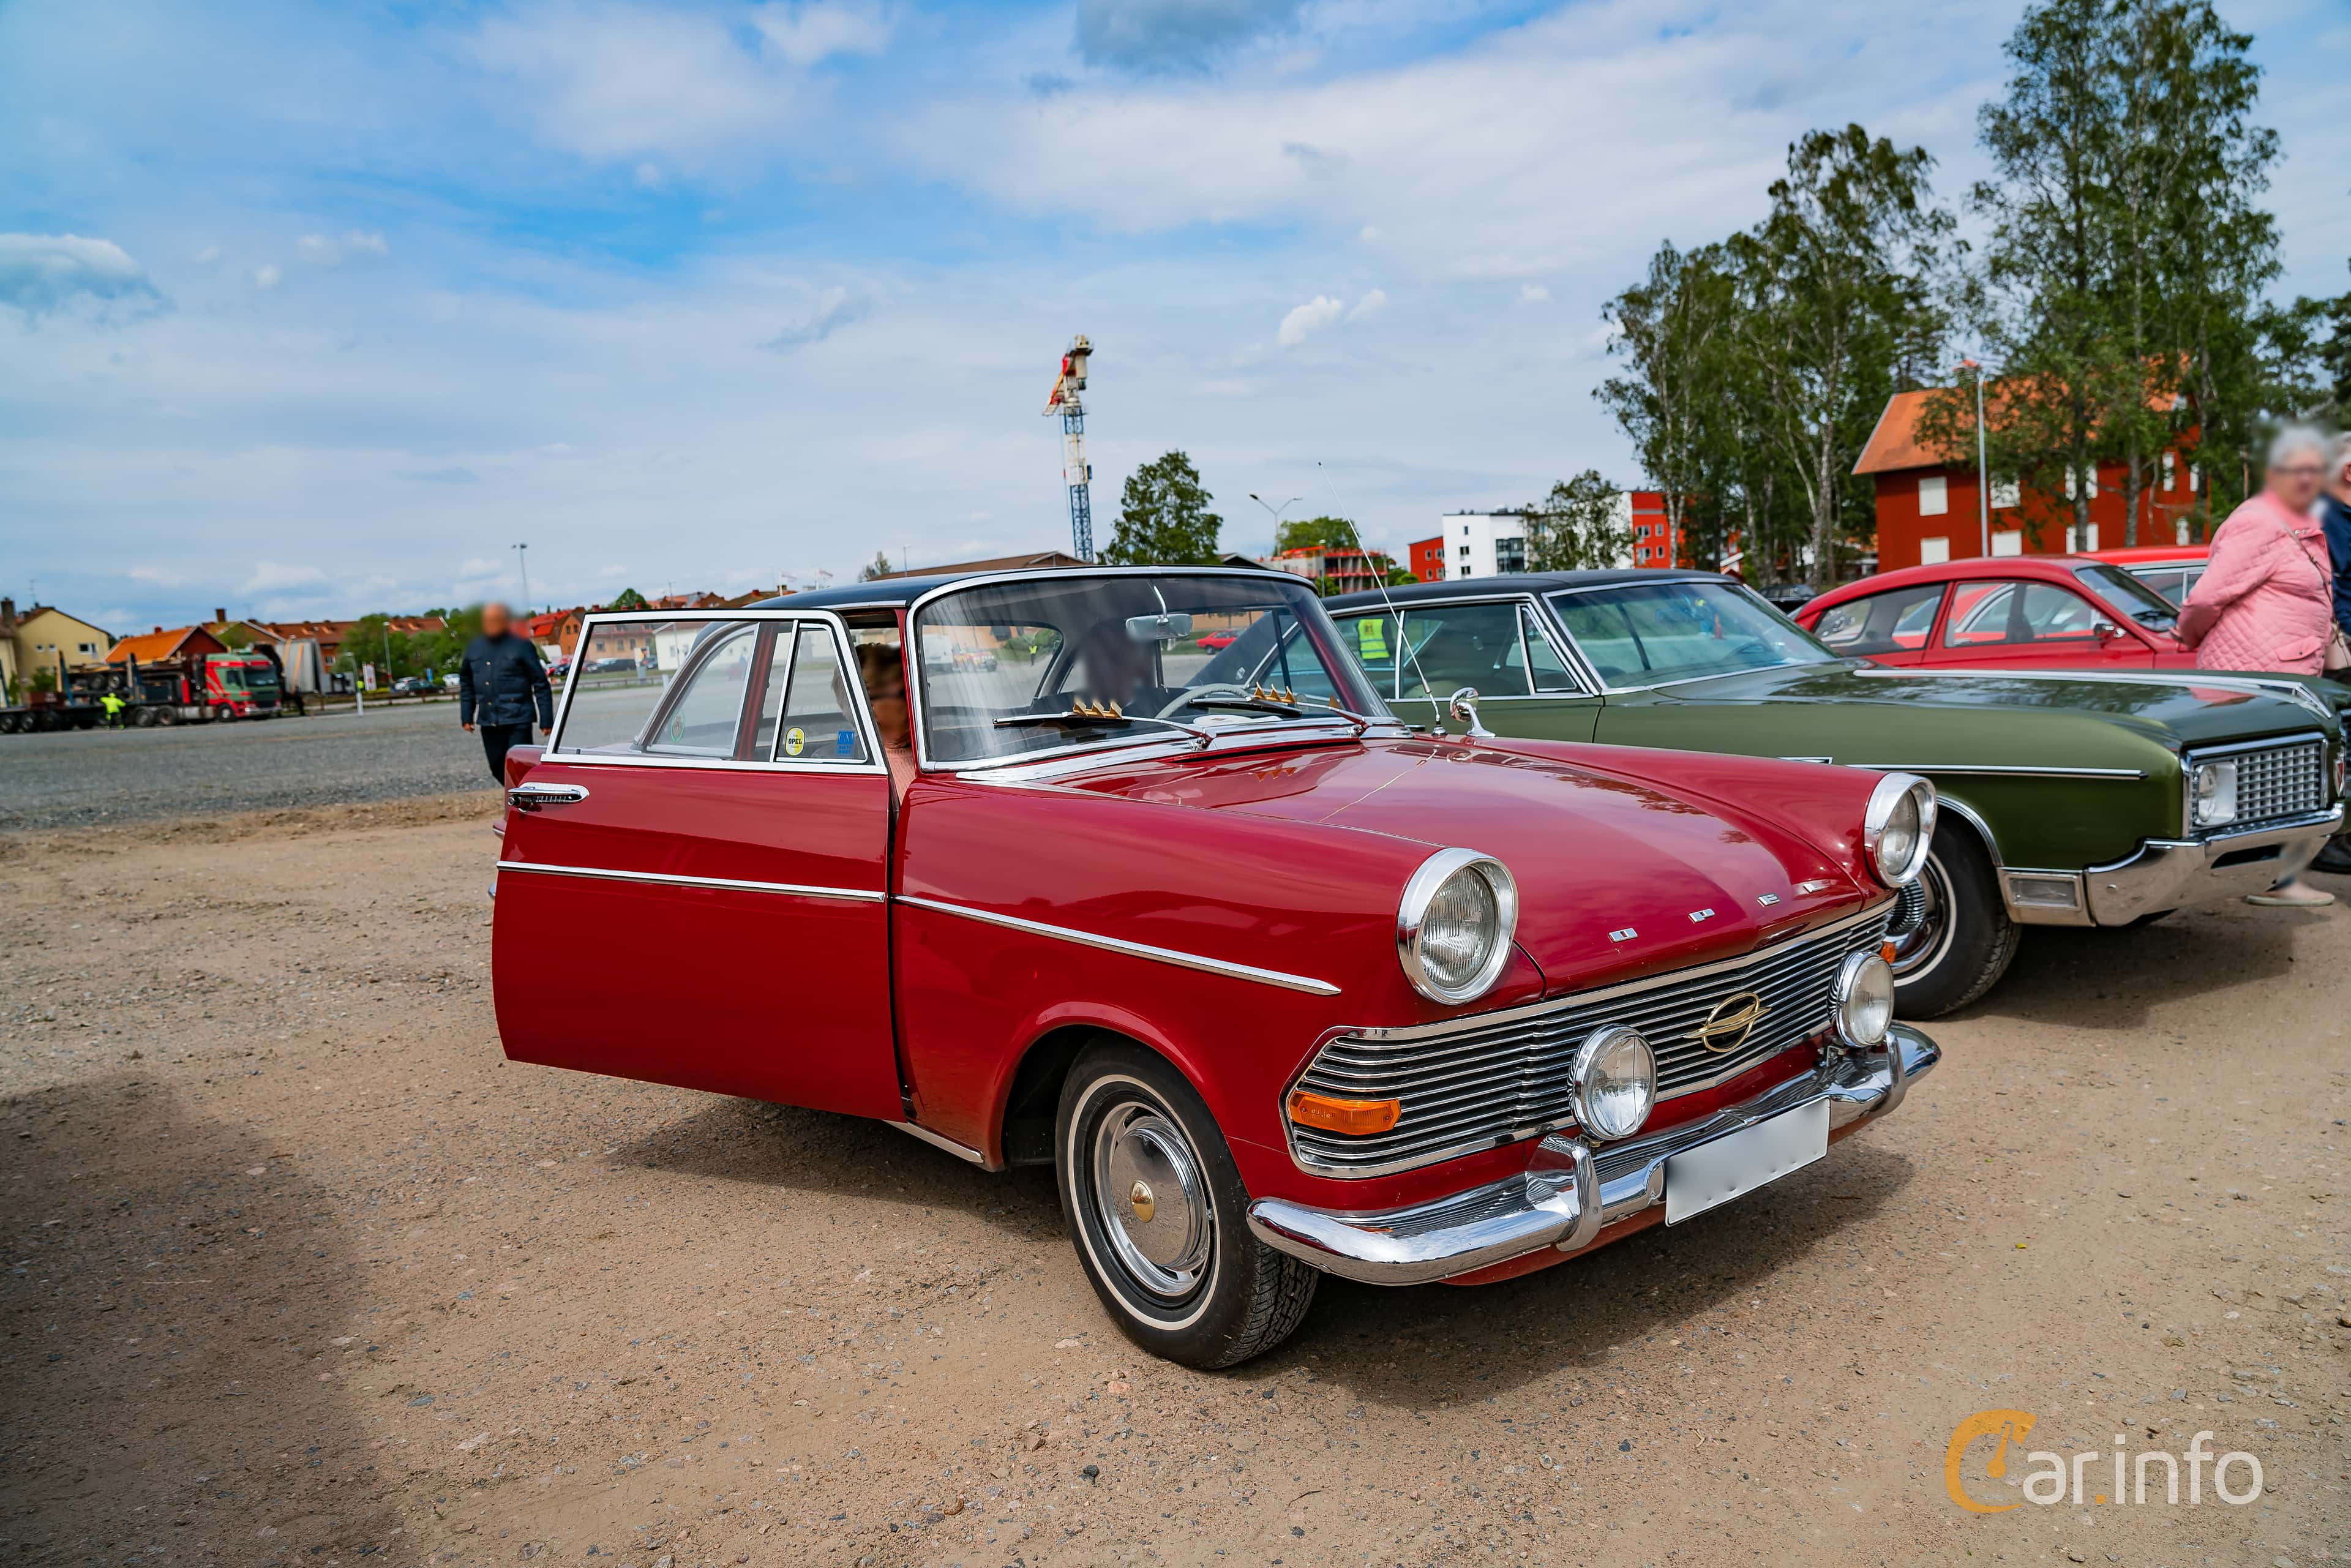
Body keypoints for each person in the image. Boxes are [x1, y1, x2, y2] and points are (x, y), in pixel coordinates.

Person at [2175, 425, 2338, 907]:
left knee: (2281, 779)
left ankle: (2279, 879)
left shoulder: (2299, 524)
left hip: (2284, 675)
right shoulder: (2260, 522)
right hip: (2254, 675)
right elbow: (2206, 596)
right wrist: (2190, 635)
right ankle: (2268, 881)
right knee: (2260, 780)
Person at [2312, 432, 2351, 879]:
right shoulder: (2328, 517)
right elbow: (2329, 588)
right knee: (2340, 748)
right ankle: (2331, 842)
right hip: (2339, 659)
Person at [459, 602, 554, 784]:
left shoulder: (522, 646)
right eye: (488, 621)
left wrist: (547, 719)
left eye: (495, 620)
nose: (491, 625)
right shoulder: (475, 647)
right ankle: (515, 794)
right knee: (496, 766)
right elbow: (466, 681)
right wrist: (466, 715)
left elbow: (541, 683)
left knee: (519, 765)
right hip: (488, 719)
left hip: (518, 717)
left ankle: (523, 801)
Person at [854, 641, 916, 793]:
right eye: (902, 694)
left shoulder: (943, 748)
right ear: (871, 705)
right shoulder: (857, 770)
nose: (915, 701)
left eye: (917, 688)